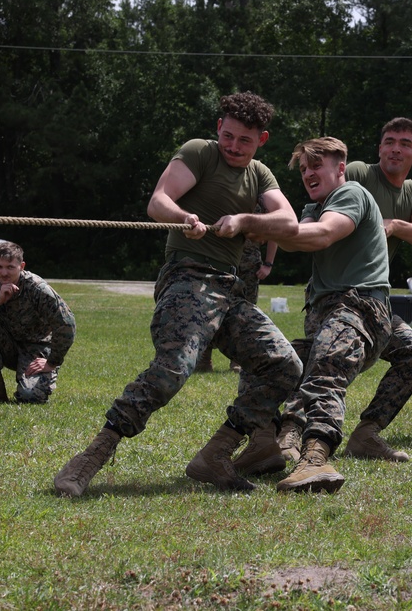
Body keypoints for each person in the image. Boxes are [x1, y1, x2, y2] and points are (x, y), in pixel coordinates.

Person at [53, 91, 303, 497]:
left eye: (245, 140)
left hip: (230, 288)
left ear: (262, 140)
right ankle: (88, 460)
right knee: (174, 367)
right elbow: (158, 201)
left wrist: (242, 219)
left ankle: (215, 456)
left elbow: (288, 223)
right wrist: (183, 216)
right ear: (217, 130)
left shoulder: (260, 174)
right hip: (188, 278)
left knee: (284, 365)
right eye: (228, 135)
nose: (234, 146)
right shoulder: (200, 152)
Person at [271, 117, 412, 464]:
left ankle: (366, 435)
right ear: (379, 149)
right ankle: (289, 431)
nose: (395, 148)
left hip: (371, 303)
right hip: (337, 301)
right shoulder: (356, 178)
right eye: (389, 141)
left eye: (404, 143)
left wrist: (395, 225)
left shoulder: (408, 192)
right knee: (325, 362)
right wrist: (264, 231)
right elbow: (308, 232)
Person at [266, 137, 392, 492]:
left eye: (316, 165)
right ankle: (274, 444)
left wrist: (253, 223)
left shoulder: (349, 193)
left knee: (325, 371)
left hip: (358, 306)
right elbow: (294, 239)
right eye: (304, 168)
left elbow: (322, 236)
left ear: (340, 168)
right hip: (326, 311)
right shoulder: (313, 206)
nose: (308, 173)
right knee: (279, 365)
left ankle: (316, 458)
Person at [0, 242, 76, 404]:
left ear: (21, 266)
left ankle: (39, 378)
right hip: (9, 345)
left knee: (29, 397)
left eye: (10, 267)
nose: (4, 272)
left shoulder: (37, 288)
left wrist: (52, 362)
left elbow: (67, 324)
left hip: (36, 350)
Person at [195, 232, 278, 373]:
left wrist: (268, 264)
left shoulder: (266, 209)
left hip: (249, 264)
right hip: (219, 258)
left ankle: (238, 360)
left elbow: (274, 233)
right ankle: (204, 359)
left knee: (245, 312)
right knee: (210, 306)